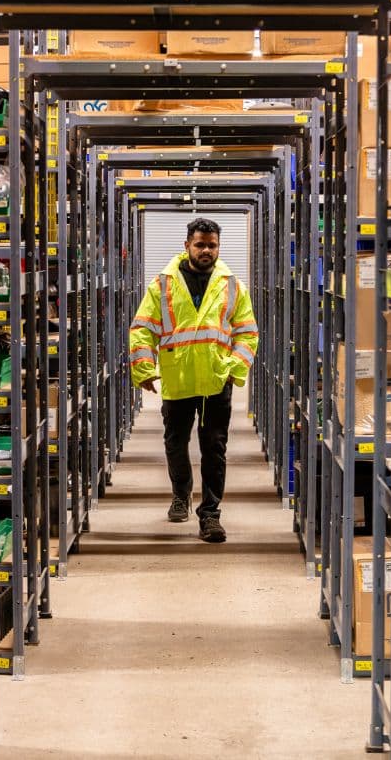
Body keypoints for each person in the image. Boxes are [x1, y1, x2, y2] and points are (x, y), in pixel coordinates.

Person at [129, 217, 259, 543]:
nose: (206, 250)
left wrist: (234, 367)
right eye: (200, 244)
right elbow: (142, 327)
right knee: (175, 443)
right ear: (187, 245)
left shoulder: (232, 285)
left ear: (218, 247)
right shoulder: (163, 284)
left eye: (211, 245)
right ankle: (180, 493)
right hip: (179, 379)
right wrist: (144, 368)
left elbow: (247, 331)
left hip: (217, 380)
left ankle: (211, 515)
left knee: (214, 448)